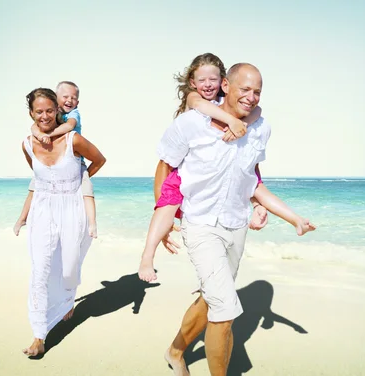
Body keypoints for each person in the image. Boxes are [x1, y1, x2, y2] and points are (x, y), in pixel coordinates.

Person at [156, 63, 315, 375]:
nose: (252, 97)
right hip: (200, 224)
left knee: (211, 299)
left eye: (257, 92)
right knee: (224, 309)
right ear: (226, 86)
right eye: (245, 89)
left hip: (236, 225)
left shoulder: (260, 129)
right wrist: (163, 218)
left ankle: (175, 351)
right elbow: (165, 168)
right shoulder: (192, 124)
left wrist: (291, 217)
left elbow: (252, 181)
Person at [138, 53, 313, 283]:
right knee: (167, 202)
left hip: (225, 195)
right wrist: (233, 122)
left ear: (223, 82)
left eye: (213, 79)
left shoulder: (237, 104)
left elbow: (250, 166)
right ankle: (147, 256)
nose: (207, 85)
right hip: (186, 169)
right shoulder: (195, 101)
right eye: (201, 80)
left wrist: (244, 124)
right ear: (192, 83)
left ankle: (295, 221)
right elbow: (168, 159)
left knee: (219, 287)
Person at [20, 88, 106, 357]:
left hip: (73, 207)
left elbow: (100, 159)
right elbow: (37, 175)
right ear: (31, 113)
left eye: (49, 110)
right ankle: (38, 334)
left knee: (68, 267)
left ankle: (68, 299)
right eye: (38, 111)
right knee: (41, 270)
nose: (44, 116)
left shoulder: (73, 139)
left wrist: (80, 179)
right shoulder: (26, 144)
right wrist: (24, 215)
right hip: (43, 210)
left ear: (57, 110)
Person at [14, 81, 99, 239]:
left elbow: (68, 127)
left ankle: (92, 223)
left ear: (78, 102)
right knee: (34, 186)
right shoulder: (52, 112)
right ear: (56, 98)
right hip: (52, 163)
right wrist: (39, 135)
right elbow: (33, 126)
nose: (69, 100)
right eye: (65, 97)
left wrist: (49, 135)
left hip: (75, 160)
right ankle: (22, 219)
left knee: (87, 190)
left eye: (73, 98)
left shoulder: (74, 114)